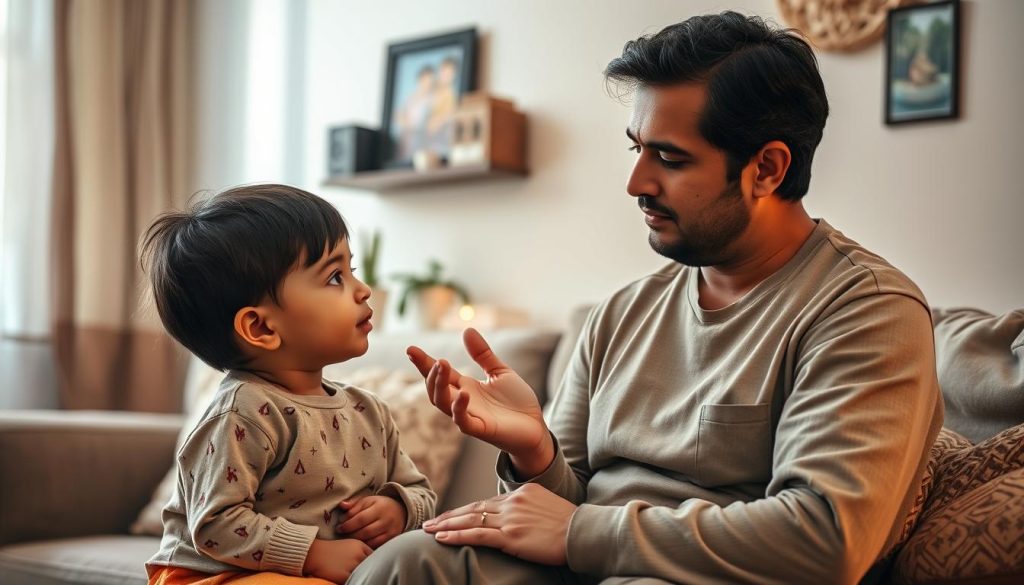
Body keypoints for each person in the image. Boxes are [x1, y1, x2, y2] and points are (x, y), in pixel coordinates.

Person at [348, 11, 942, 585]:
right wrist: (534, 449)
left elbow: (826, 539)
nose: (637, 184)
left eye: (671, 158)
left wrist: (583, 532)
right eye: (638, 149)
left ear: (767, 168)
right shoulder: (619, 315)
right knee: (406, 563)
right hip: (583, 563)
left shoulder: (867, 311)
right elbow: (558, 508)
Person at [141, 184, 436, 584]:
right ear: (261, 326)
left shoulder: (370, 411)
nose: (363, 290)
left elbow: (420, 492)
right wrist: (312, 553)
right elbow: (214, 525)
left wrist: (399, 508)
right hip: (216, 575)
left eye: (353, 271)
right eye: (335, 277)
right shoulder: (242, 412)